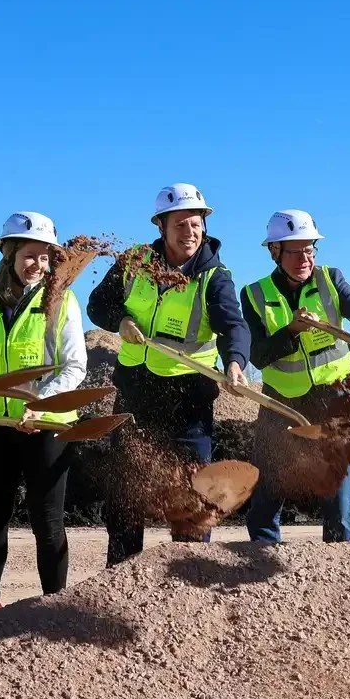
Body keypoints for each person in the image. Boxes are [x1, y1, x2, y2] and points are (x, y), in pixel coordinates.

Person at [86, 183, 250, 565]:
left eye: (196, 224)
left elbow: (233, 326)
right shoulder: (134, 262)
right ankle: (121, 575)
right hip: (135, 394)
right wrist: (120, 319)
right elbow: (97, 304)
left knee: (193, 497)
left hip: (188, 401)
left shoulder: (214, 277)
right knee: (126, 494)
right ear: (161, 225)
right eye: (180, 224)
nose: (190, 232)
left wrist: (235, 362)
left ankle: (189, 577)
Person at [0, 212, 87, 610]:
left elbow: (74, 366)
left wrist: (41, 402)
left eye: (45, 257)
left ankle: (53, 609)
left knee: (48, 520)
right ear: (9, 254)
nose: (38, 265)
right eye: (30, 255)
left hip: (46, 424)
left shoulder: (61, 301)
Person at [241, 209, 350, 543]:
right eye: (295, 251)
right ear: (275, 251)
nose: (305, 259)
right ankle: (260, 555)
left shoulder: (330, 279)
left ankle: (338, 557)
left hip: (335, 398)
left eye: (310, 250)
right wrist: (291, 331)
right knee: (268, 488)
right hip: (280, 402)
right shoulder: (254, 294)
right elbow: (258, 354)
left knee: (338, 490)